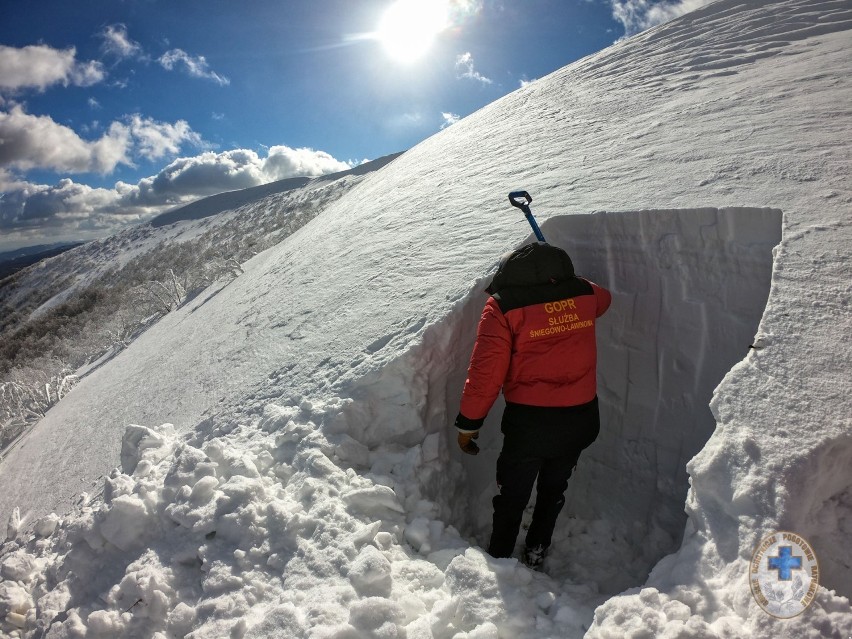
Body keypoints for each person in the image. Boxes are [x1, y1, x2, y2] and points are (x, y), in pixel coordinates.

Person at [454, 241, 611, 569]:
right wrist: (567, 280)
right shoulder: (584, 293)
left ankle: (499, 560)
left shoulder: (502, 307)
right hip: (580, 419)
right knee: (554, 489)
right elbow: (604, 298)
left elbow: (486, 374)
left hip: (531, 426)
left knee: (512, 496)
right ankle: (537, 550)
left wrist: (469, 423)